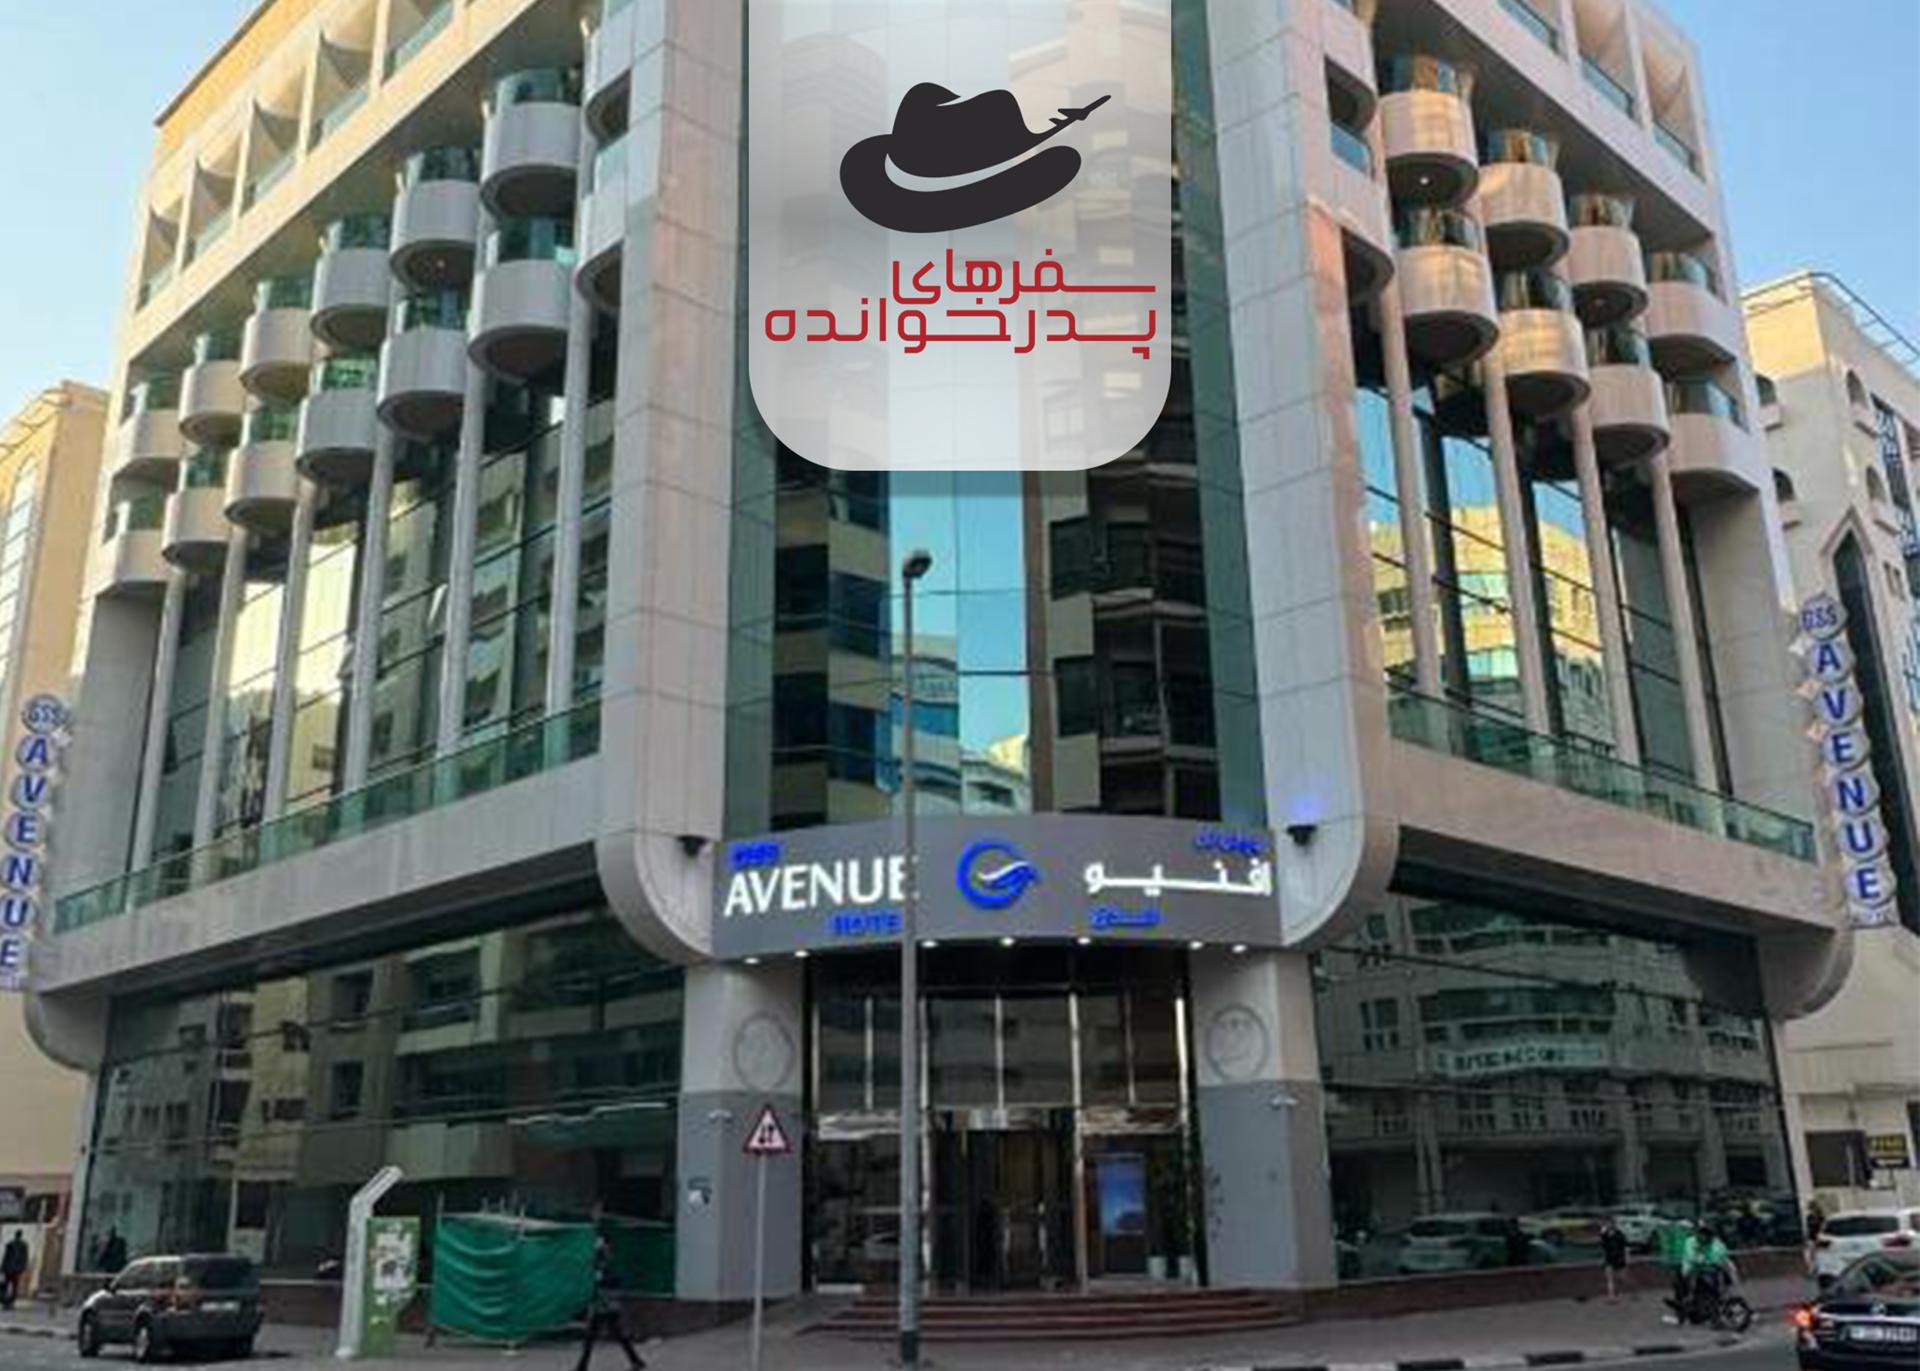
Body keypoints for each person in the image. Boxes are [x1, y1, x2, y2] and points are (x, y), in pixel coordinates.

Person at [575, 1237, 644, 1371]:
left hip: (606, 1304)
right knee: (605, 1335)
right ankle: (636, 1360)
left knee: (597, 1336)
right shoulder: (598, 1265)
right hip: (603, 1305)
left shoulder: (607, 1266)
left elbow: (613, 1281)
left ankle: (582, 1366)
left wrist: (601, 1281)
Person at [1598, 1218, 1629, 1303]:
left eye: (1609, 1224)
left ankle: (1622, 1291)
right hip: (1609, 1259)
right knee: (1609, 1278)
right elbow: (1603, 1245)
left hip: (1619, 1258)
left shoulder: (1620, 1235)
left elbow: (1625, 1247)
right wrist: (1602, 1234)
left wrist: (1626, 1258)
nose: (1608, 1226)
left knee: (1621, 1278)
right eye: (1606, 1224)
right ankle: (1611, 1296)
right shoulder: (1605, 1235)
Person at [0, 1230, 28, 1310]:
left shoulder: (14, 1244)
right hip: (14, 1269)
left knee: (10, 1285)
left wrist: (2, 1268)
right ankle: (8, 1301)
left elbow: (5, 1257)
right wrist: (23, 1267)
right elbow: (24, 1257)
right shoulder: (19, 1245)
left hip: (11, 1269)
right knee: (11, 1286)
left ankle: (8, 1302)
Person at [1804, 1197, 1826, 1274]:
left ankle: (1815, 1269)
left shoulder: (1820, 1217)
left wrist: (1818, 1236)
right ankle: (1813, 1269)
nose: (1810, 1209)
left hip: (1817, 1237)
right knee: (1810, 1254)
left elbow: (1822, 1227)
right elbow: (1809, 1228)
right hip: (1812, 1237)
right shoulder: (1809, 1217)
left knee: (1815, 1253)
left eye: (1811, 1207)